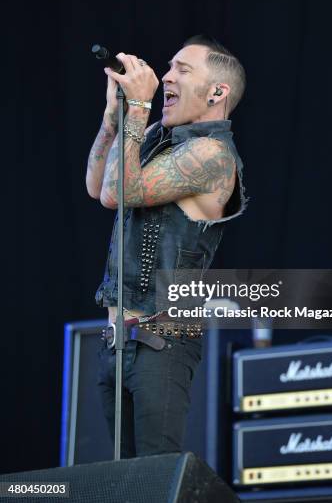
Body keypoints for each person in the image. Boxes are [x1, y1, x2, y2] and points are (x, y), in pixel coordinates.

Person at [86, 35, 247, 457]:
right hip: (118, 338)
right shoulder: (160, 137)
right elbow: (97, 187)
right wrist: (113, 119)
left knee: (154, 481)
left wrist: (138, 109)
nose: (166, 77)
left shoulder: (212, 155)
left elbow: (117, 191)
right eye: (169, 67)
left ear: (217, 91)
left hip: (163, 342)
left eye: (182, 69)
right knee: (123, 482)